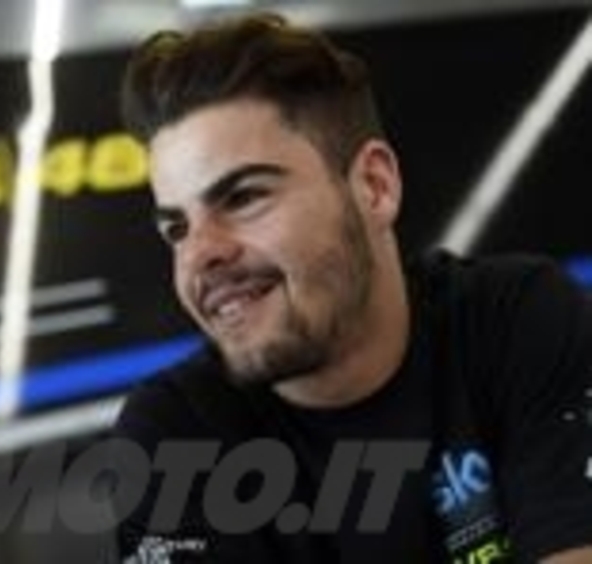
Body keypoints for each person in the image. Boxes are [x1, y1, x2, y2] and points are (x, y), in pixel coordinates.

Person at [111, 13, 592, 563]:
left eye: (243, 198)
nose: (200, 255)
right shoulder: (174, 435)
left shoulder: (516, 321)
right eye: (177, 229)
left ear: (374, 187)